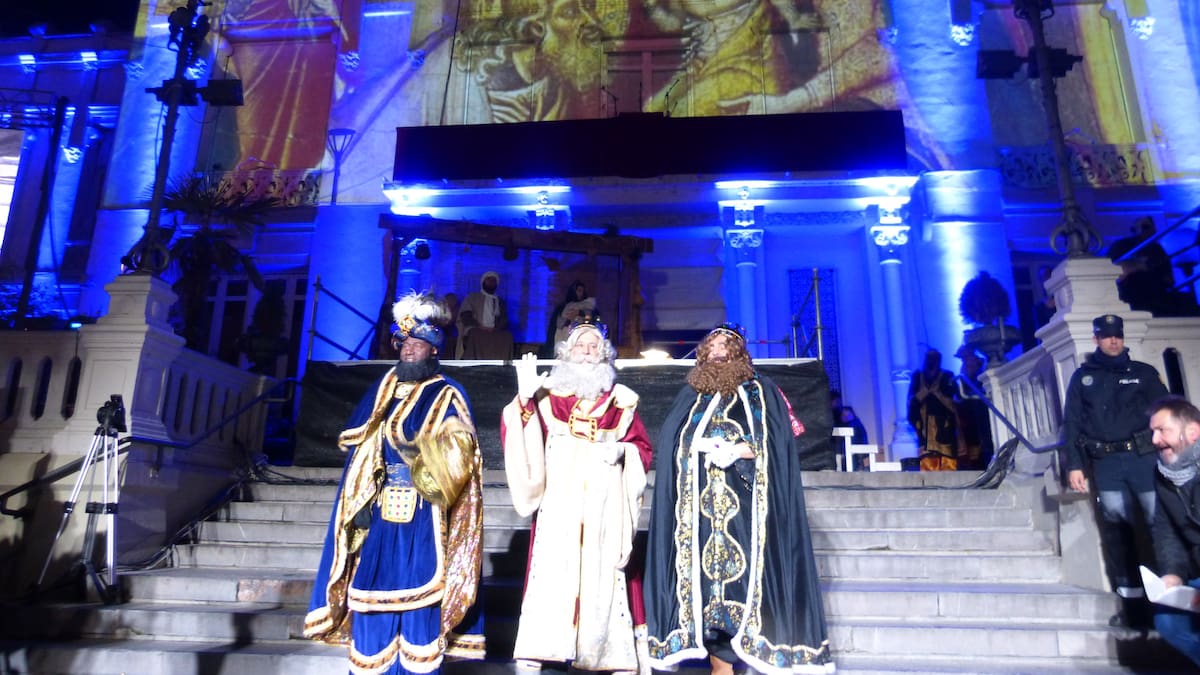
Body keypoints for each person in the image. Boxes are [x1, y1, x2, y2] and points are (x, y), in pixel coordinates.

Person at [305, 292, 486, 673]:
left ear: (433, 351)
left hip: (424, 511)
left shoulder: (446, 393)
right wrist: (362, 499)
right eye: (405, 343)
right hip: (379, 507)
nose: (408, 350)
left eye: (418, 344)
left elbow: (461, 449)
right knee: (369, 589)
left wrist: (425, 469)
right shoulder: (382, 391)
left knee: (421, 594)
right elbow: (362, 448)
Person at [643, 323, 834, 674]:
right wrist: (694, 448)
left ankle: (746, 658)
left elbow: (775, 444)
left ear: (740, 353)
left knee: (744, 586)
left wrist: (739, 451)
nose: (717, 350)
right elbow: (673, 443)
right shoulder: (691, 394)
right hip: (698, 516)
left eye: (725, 344)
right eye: (712, 345)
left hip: (747, 510)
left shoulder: (761, 391)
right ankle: (720, 665)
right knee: (707, 593)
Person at [501, 318, 653, 674]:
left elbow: (641, 449)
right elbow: (520, 433)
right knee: (554, 573)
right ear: (566, 353)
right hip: (559, 505)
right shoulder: (547, 397)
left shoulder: (622, 403)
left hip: (605, 507)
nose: (587, 352)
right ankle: (542, 648)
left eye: (593, 346)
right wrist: (523, 401)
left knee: (604, 577)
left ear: (604, 354)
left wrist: (623, 452)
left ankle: (606, 653)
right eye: (580, 346)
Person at [1061, 314, 1168, 628]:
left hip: (1143, 460)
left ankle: (1167, 604)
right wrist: (1075, 464)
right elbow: (1073, 423)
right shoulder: (1083, 379)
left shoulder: (1143, 374)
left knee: (1157, 529)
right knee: (1118, 533)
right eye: (1107, 336)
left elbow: (1166, 415)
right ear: (1096, 339)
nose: (1114, 341)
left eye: (1117, 335)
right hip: (1105, 464)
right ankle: (1132, 608)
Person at [1147, 395, 1200, 666]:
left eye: (1162, 430)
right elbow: (1166, 530)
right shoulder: (1164, 475)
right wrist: (1172, 574)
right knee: (1168, 621)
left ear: (1192, 432)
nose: (1155, 440)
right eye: (1153, 432)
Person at [907, 348, 958, 471]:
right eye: (929, 358)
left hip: (943, 421)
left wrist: (937, 394)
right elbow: (911, 400)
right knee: (927, 456)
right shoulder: (918, 376)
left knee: (947, 457)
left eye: (934, 359)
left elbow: (953, 401)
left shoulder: (947, 376)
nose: (931, 362)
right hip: (924, 422)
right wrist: (924, 393)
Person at [458, 270, 515, 360]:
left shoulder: (500, 301)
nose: (491, 283)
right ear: (483, 281)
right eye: (489, 280)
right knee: (475, 335)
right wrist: (480, 326)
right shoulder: (473, 297)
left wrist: (496, 328)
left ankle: (502, 364)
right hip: (476, 328)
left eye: (493, 281)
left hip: (494, 330)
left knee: (507, 336)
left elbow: (504, 319)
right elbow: (466, 315)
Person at [954, 347, 994, 471]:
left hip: (984, 416)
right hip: (971, 421)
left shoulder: (984, 371)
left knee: (986, 447)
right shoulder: (964, 377)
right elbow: (961, 396)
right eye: (963, 359)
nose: (965, 362)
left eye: (967, 358)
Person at [542, 280, 597, 357]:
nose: (580, 293)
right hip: (565, 337)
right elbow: (558, 324)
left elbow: (591, 318)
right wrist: (568, 319)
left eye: (582, 291)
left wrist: (580, 313)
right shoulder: (563, 307)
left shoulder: (587, 306)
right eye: (578, 291)